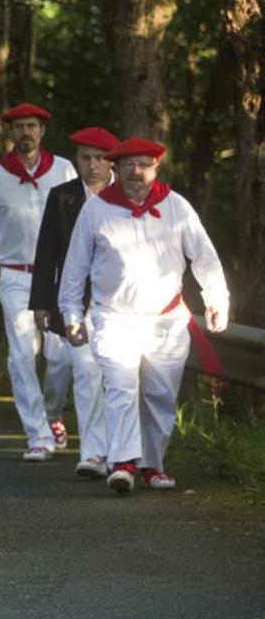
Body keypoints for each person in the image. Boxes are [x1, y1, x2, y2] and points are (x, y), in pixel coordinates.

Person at [59, 138, 229, 494]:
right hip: (113, 317)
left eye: (143, 164)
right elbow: (75, 267)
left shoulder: (177, 207)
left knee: (160, 394)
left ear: (156, 168)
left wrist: (216, 299)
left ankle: (153, 464)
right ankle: (121, 463)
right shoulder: (96, 210)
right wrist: (71, 313)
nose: (136, 172)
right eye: (128, 165)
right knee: (121, 387)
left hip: (166, 320)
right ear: (116, 170)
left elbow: (204, 257)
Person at [0, 103, 77, 461]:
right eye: (19, 127)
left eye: (31, 126)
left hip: (57, 277)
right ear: (11, 133)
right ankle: (37, 435)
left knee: (60, 357)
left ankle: (51, 414)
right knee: (21, 356)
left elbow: (78, 222)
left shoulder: (63, 169)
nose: (25, 133)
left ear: (42, 131)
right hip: (15, 275)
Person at [29, 127, 119, 477]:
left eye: (99, 158)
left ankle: (120, 450)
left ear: (110, 160)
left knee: (116, 377)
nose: (93, 165)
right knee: (85, 371)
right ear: (77, 160)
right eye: (86, 158)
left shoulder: (125, 196)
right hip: (73, 303)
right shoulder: (62, 196)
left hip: (119, 303)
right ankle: (94, 452)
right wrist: (42, 303)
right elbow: (47, 251)